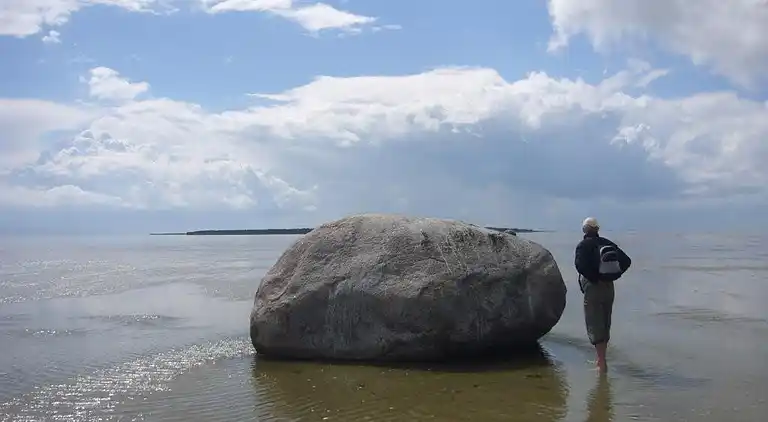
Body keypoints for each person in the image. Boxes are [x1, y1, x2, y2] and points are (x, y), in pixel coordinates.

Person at [574, 217, 631, 372]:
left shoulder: (583, 245)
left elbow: (580, 266)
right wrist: (612, 276)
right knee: (605, 321)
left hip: (593, 288)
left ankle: (600, 362)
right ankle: (602, 358)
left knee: (594, 322)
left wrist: (594, 277)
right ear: (597, 229)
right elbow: (626, 261)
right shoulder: (608, 243)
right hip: (609, 287)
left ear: (584, 230)